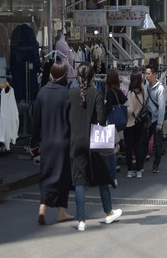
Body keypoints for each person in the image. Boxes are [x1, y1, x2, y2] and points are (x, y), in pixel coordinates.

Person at [69, 62, 122, 231]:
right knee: (102, 177)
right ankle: (108, 212)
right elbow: (100, 120)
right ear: (93, 77)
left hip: (75, 141)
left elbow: (66, 117)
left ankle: (81, 221)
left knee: (79, 181)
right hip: (93, 141)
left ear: (78, 76)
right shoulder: (97, 94)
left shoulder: (70, 93)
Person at [30, 62, 74, 225]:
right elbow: (72, 121)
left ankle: (42, 207)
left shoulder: (42, 93)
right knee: (63, 177)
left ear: (50, 74)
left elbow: (36, 122)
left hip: (47, 142)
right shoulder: (66, 94)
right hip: (64, 141)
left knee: (46, 174)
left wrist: (34, 143)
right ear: (64, 75)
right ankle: (62, 212)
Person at [104, 68, 125, 185]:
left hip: (110, 123)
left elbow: (107, 110)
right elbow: (124, 101)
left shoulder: (110, 92)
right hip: (117, 123)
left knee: (109, 151)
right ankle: (113, 177)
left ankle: (112, 176)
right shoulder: (118, 90)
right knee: (112, 150)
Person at [145, 64, 167, 172]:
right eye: (146, 73)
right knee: (144, 141)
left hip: (156, 119)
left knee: (157, 143)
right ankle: (140, 164)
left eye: (149, 74)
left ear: (154, 75)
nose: (147, 76)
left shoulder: (160, 88)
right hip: (147, 118)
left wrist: (160, 123)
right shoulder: (145, 86)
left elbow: (162, 107)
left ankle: (156, 165)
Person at [125, 71, 147, 178]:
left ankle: (130, 170)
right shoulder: (142, 91)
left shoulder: (130, 93)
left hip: (130, 123)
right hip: (140, 122)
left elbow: (130, 110)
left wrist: (124, 108)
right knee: (138, 146)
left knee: (129, 147)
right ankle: (139, 169)